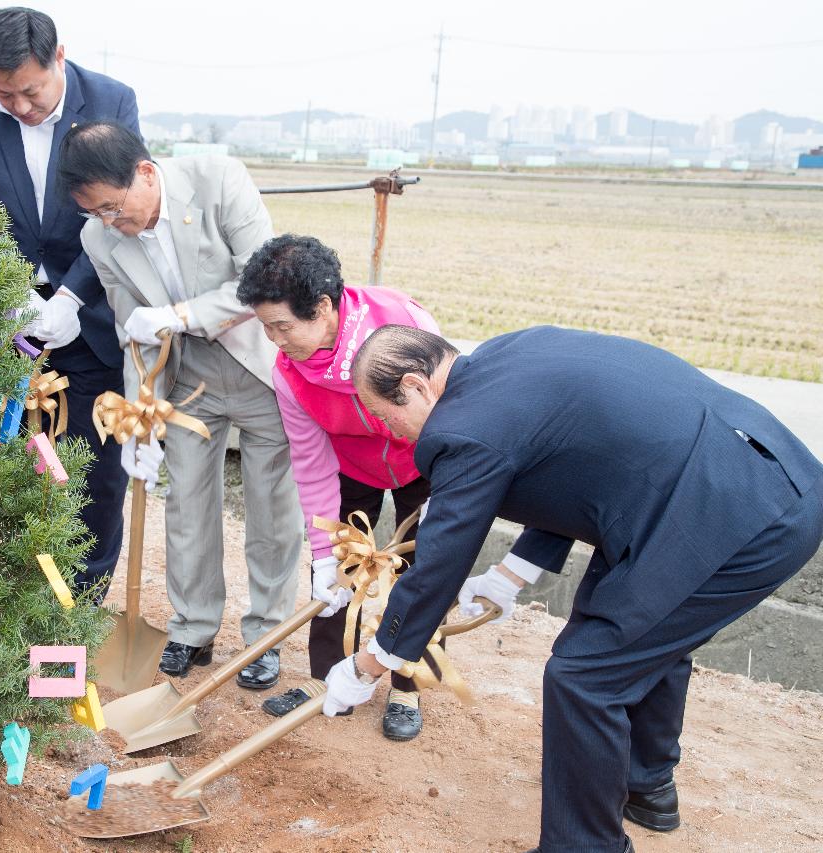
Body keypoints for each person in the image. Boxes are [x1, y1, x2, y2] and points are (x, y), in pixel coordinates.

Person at [323, 325, 823, 853]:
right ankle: (646, 784)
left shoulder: (464, 430)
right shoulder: (509, 354)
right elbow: (570, 463)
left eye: (385, 414)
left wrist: (369, 666)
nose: (393, 432)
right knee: (642, 641)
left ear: (416, 385)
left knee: (586, 675)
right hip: (744, 481)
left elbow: (435, 569)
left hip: (740, 519)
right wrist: (510, 576)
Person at [236, 233, 552, 741]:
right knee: (341, 571)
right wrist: (321, 552)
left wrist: (447, 491)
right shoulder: (290, 373)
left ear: (321, 307)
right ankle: (327, 678)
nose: (275, 340)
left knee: (426, 568)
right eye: (265, 327)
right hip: (352, 464)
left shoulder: (401, 322)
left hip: (426, 457)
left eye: (282, 326)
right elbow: (311, 462)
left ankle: (407, 683)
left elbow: (449, 402)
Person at [56, 121, 300, 688]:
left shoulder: (218, 181)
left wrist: (181, 315)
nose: (112, 224)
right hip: (188, 380)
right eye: (96, 215)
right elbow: (131, 331)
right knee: (186, 505)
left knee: (270, 509)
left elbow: (260, 280)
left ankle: (266, 635)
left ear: (145, 173)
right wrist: (141, 419)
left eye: (115, 208)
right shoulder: (100, 239)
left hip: (261, 367)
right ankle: (192, 628)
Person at [0, 8, 140, 597]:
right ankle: (17, 593)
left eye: (29, 92)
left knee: (95, 468)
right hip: (5, 314)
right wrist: (5, 294)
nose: (19, 107)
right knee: (10, 457)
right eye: (4, 94)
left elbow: (116, 213)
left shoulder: (111, 99)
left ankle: (82, 597)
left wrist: (71, 297)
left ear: (58, 57)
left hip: (89, 310)